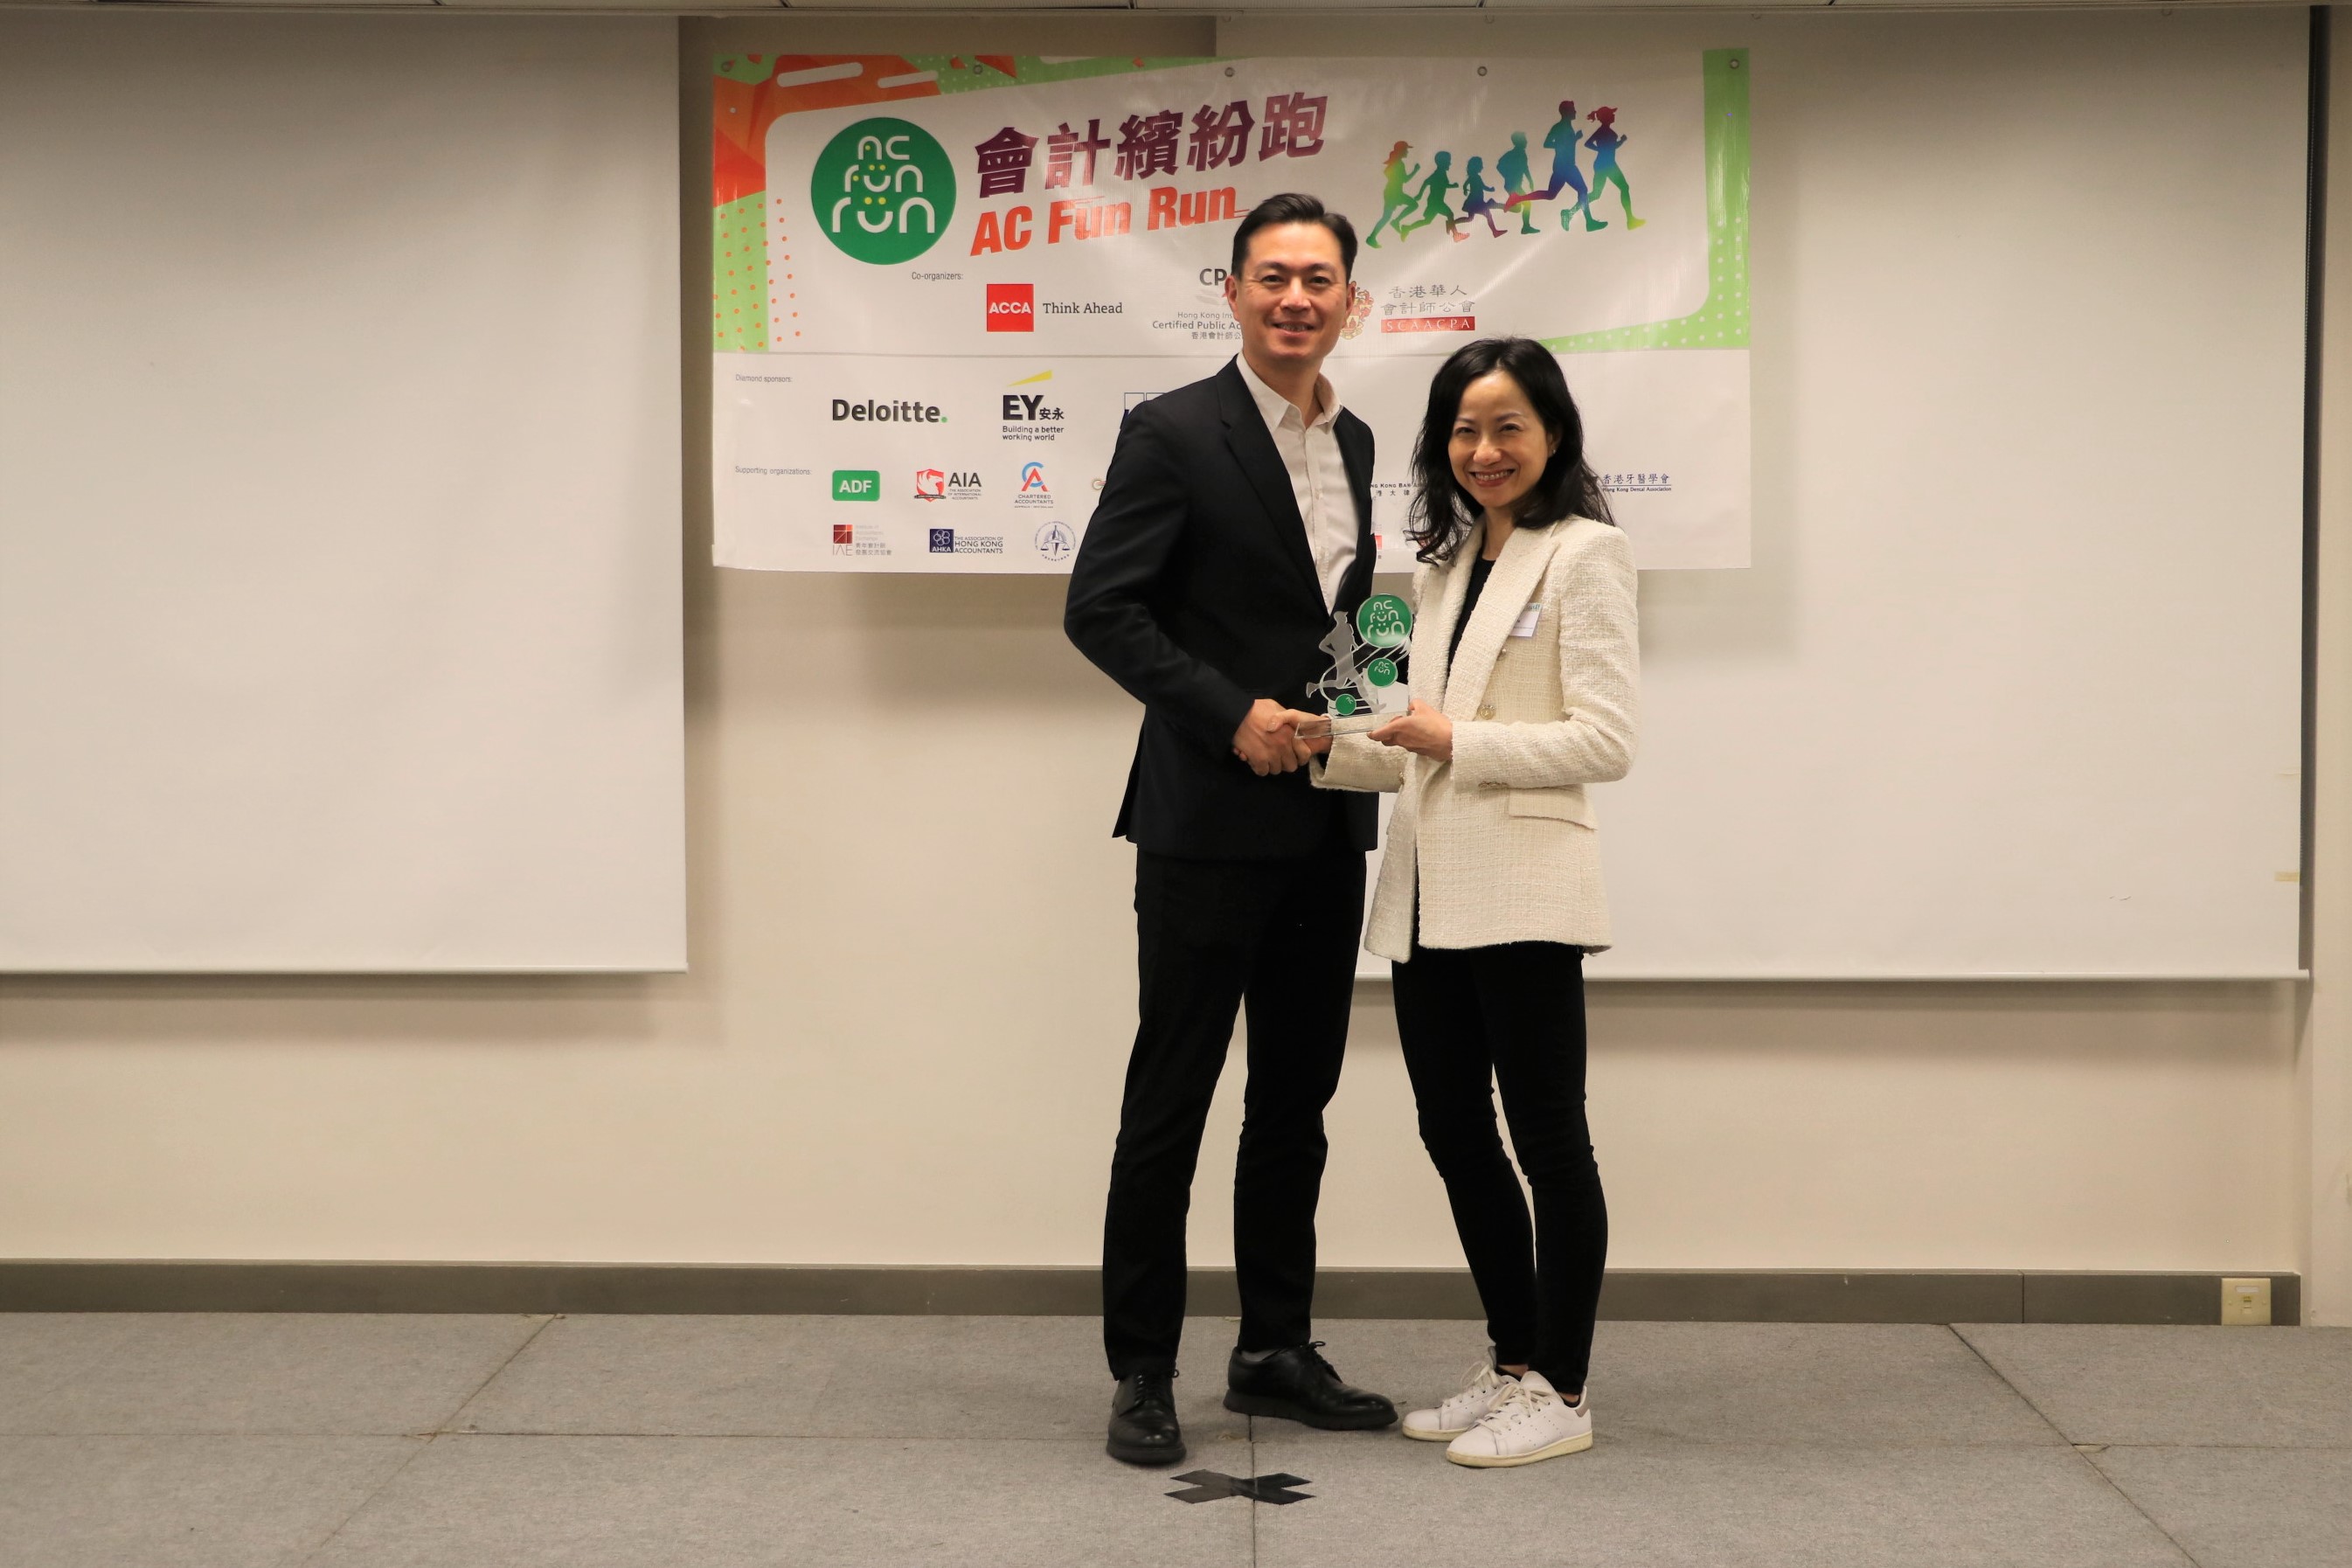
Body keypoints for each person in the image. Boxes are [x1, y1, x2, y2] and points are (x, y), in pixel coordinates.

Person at [1064, 192, 1398, 1468]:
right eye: (1273, 277)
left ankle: (1274, 1349)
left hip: (1325, 817)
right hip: (1205, 816)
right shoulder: (1172, 430)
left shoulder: (1357, 439)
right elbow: (1102, 609)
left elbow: (1332, 618)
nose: (1296, 299)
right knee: (1173, 1097)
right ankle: (1142, 1368)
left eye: (1319, 279)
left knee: (1297, 1101)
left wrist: (1371, 708)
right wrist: (1229, 714)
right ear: (1234, 292)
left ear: (1350, 299)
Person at [1308, 336, 1638, 1467]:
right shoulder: (1442, 568)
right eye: (1463, 430)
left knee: (1550, 1141)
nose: (1484, 450)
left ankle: (1565, 1388)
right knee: (1453, 1131)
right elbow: (1419, 743)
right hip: (1427, 894)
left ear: (1553, 435)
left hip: (1526, 890)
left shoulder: (1587, 552)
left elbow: (1605, 739)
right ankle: (1514, 1360)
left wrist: (1455, 738)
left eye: (1507, 427)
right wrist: (1324, 741)